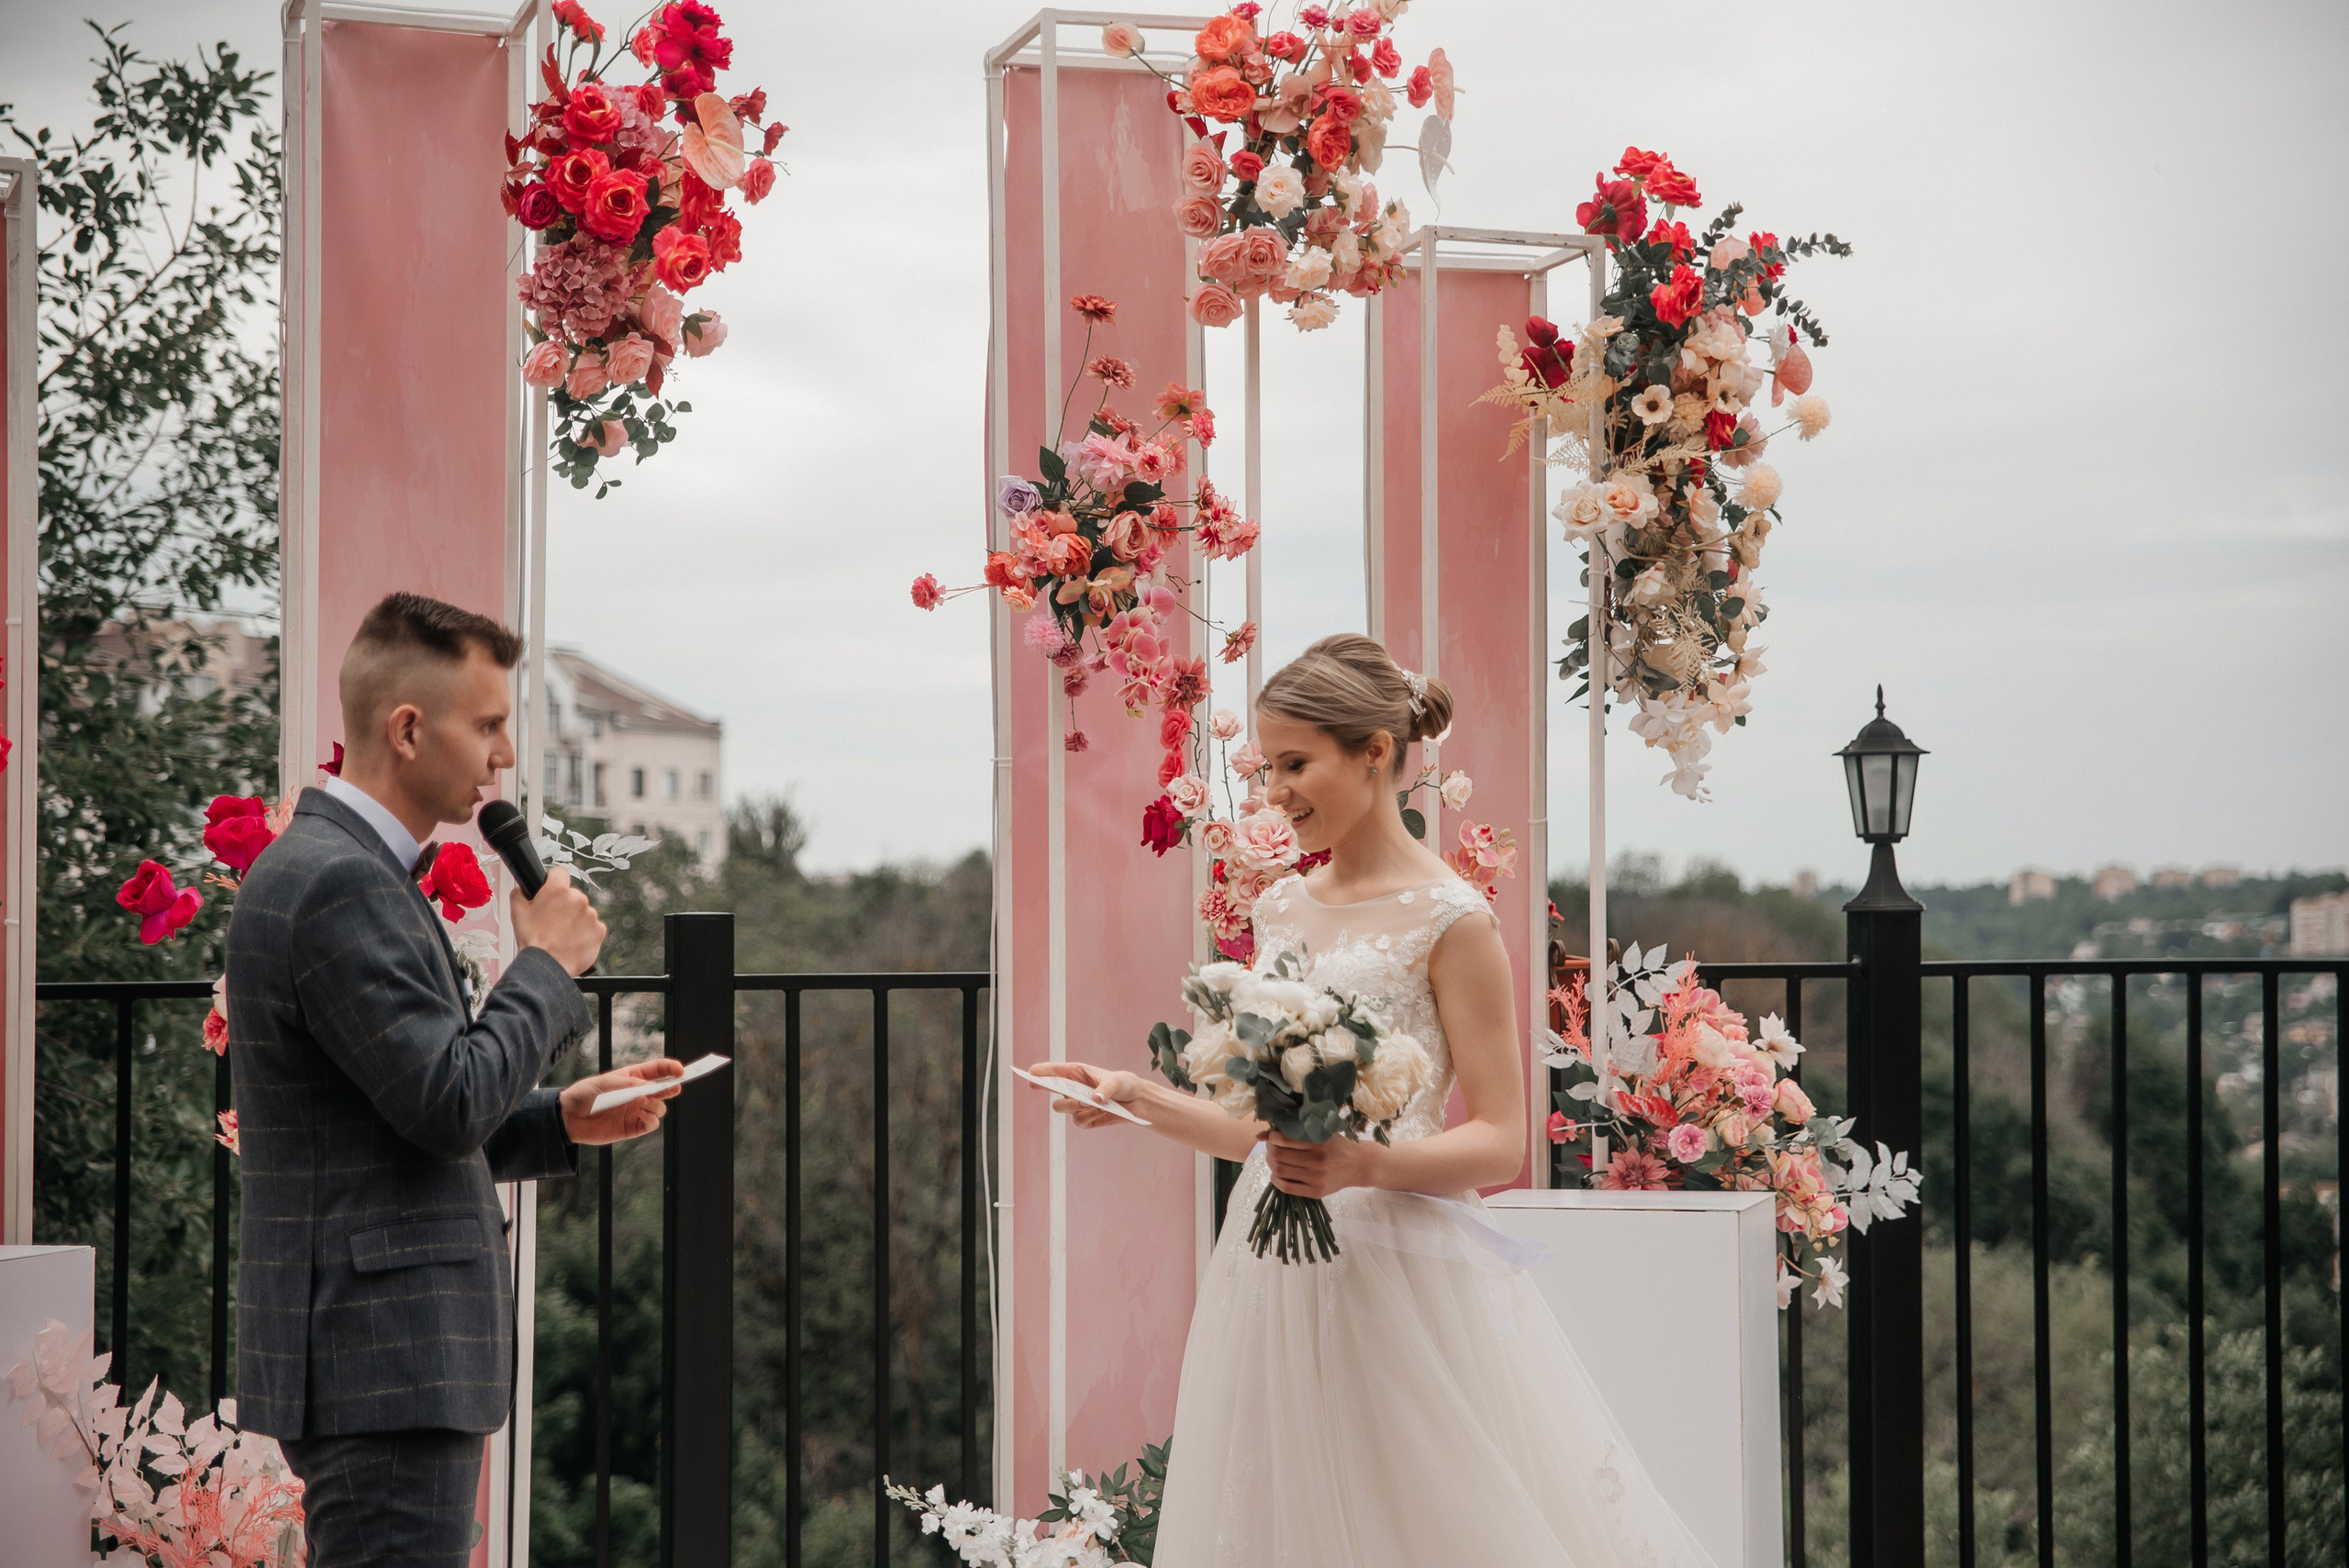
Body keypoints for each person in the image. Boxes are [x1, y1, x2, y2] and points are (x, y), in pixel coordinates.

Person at [1030, 634, 1717, 1568]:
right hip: (1270, 1267)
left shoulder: (1453, 919)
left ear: (1375, 751)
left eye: (1295, 763)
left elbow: (1500, 1141)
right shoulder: (1281, 908)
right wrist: (1133, 1097)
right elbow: (1262, 1134)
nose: (1276, 791)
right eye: (1268, 767)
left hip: (1399, 1273)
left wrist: (1363, 1162)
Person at [225, 592, 684, 1568]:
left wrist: (559, 1119)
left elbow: (391, 1111)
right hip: (383, 1360)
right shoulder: (340, 881)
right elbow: (446, 1103)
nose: (503, 756)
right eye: (487, 724)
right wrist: (545, 966)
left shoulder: (342, 868)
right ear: (407, 729)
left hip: (372, 1360)